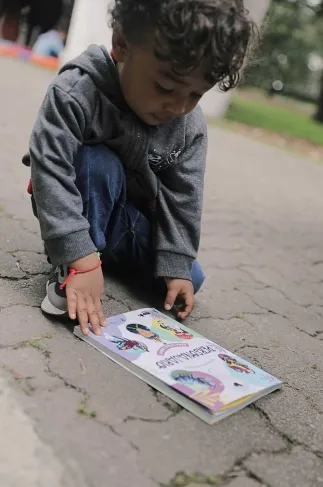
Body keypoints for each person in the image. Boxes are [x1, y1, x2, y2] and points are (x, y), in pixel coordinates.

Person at [24, 0, 257, 337]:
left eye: (196, 94)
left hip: (131, 222)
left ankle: (105, 259)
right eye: (165, 87)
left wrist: (175, 264)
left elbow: (183, 197)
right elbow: (50, 169)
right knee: (98, 163)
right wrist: (80, 257)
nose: (179, 106)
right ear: (122, 45)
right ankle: (74, 267)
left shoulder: (188, 125)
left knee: (188, 278)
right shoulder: (77, 91)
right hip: (78, 206)